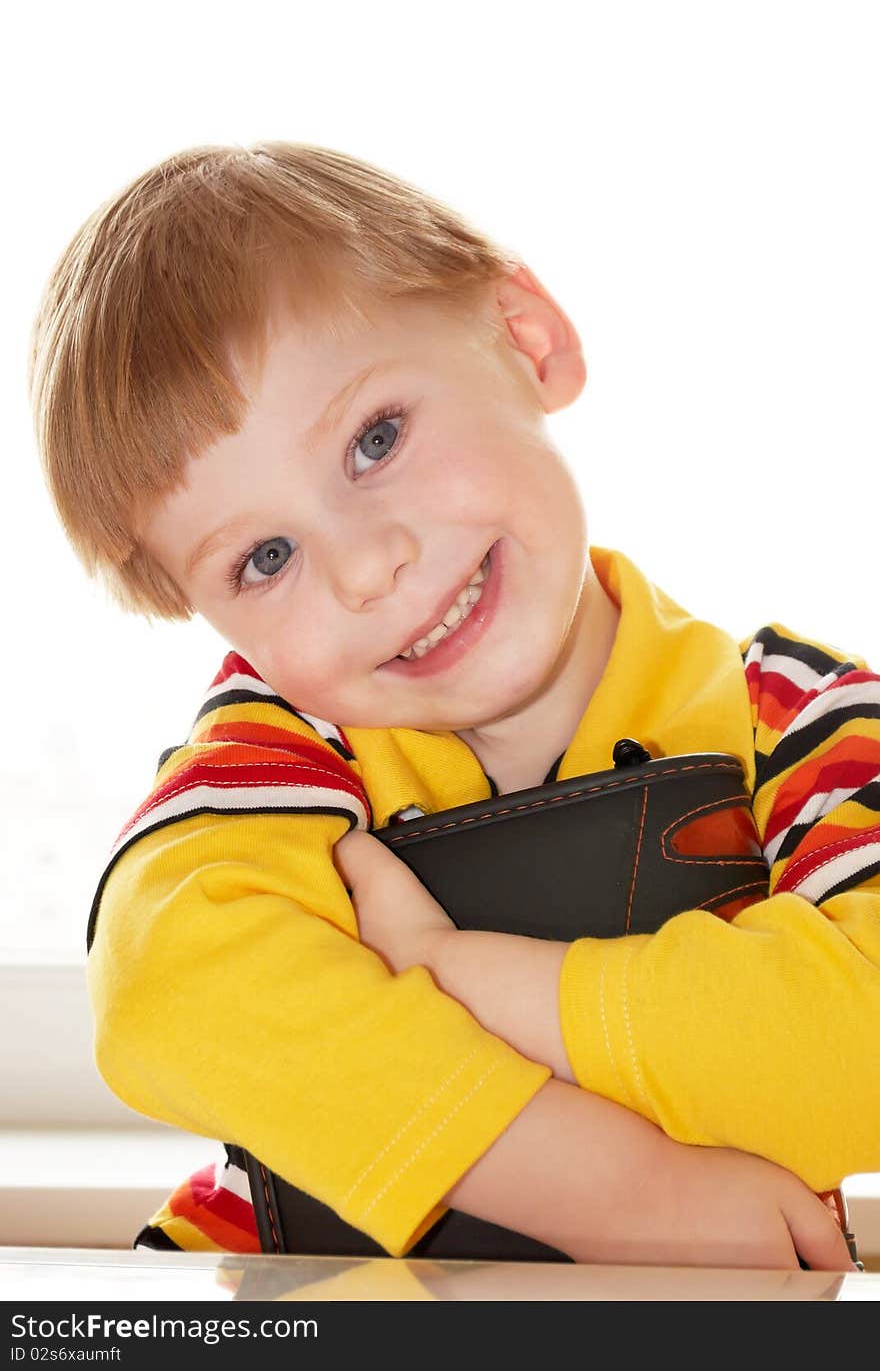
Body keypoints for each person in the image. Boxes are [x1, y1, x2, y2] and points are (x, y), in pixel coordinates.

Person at [30, 142, 879, 1271]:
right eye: (266, 555)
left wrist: (451, 968)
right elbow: (163, 980)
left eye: (374, 440)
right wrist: (601, 1183)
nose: (368, 568)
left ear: (524, 340)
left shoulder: (798, 718)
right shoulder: (286, 748)